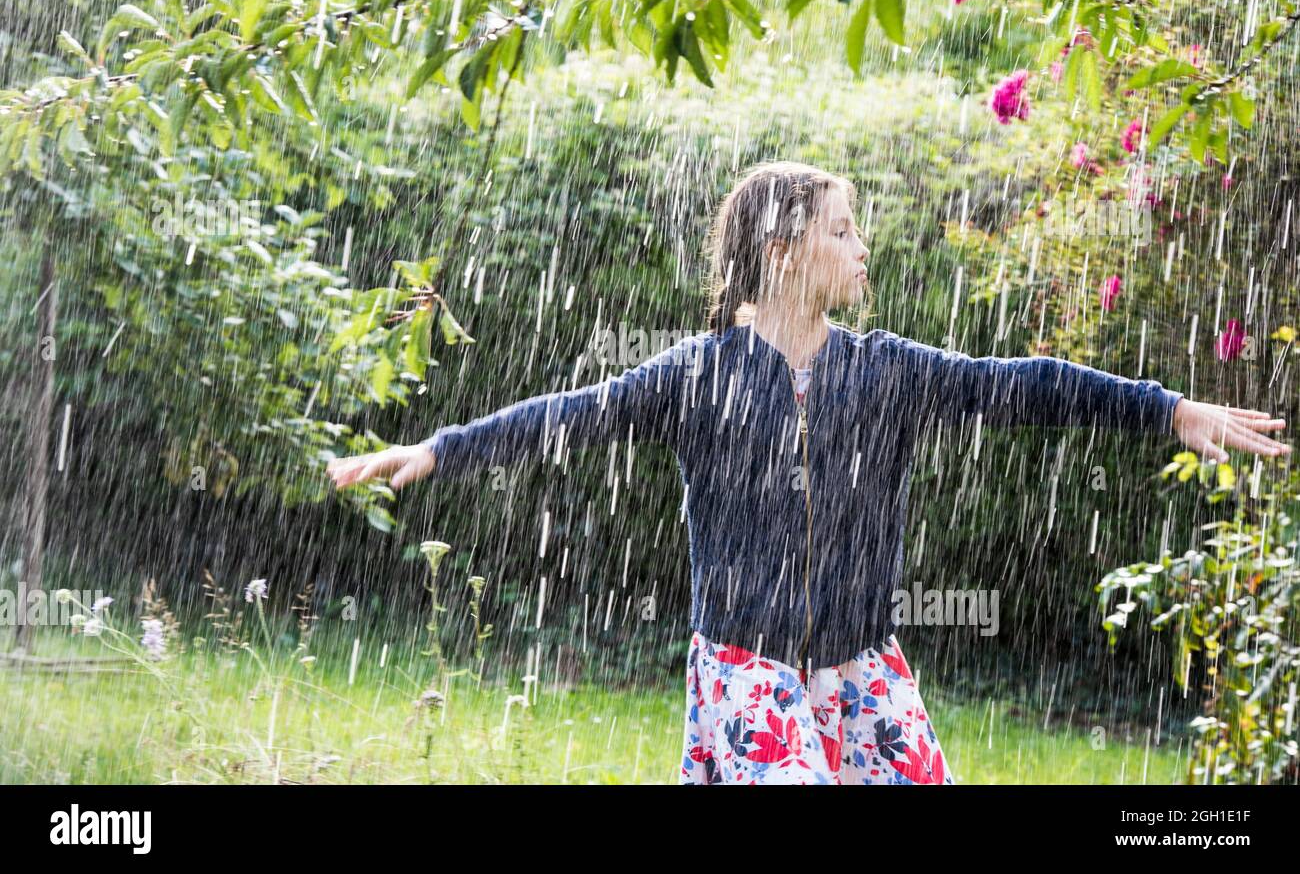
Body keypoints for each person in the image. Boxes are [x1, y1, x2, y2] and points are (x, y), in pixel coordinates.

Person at [326, 159, 1290, 785]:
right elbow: (570, 419)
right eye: (842, 228)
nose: (862, 246)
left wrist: (1166, 407)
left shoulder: (885, 371)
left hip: (862, 665)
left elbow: (1025, 384)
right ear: (784, 251)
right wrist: (441, 448)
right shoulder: (697, 376)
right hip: (748, 670)